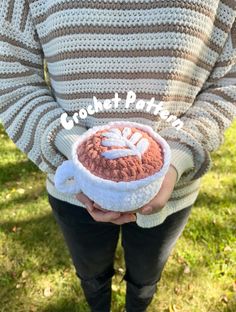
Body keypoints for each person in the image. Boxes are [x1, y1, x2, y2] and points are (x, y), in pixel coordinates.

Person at [0, 1, 235, 311]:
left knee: (145, 278)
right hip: (73, 188)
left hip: (172, 190)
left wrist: (177, 157)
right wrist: (77, 154)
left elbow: (227, 81)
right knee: (91, 272)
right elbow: (14, 81)